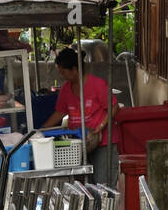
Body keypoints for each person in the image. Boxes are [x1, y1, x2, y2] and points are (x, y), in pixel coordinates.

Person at [41, 48, 119, 185]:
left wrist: (100, 127)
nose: (61, 76)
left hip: (102, 142)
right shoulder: (66, 89)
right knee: (84, 185)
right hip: (79, 143)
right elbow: (60, 112)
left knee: (103, 184)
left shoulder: (97, 85)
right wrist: (41, 131)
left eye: (63, 72)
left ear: (75, 70)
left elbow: (114, 107)